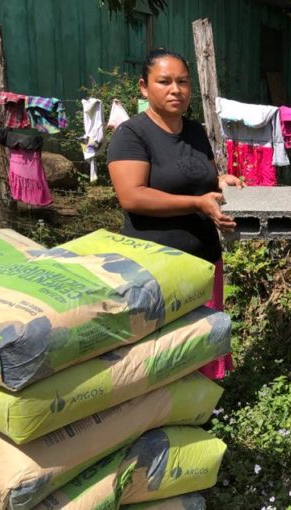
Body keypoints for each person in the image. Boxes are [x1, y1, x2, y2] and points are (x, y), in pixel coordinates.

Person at [107, 48, 240, 380]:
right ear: (143, 87)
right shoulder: (132, 134)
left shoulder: (195, 131)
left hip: (204, 257)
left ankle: (202, 406)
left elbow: (205, 177)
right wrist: (196, 204)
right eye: (164, 81)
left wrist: (222, 180)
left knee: (202, 336)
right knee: (162, 346)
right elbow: (132, 196)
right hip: (155, 262)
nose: (175, 90)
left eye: (182, 82)